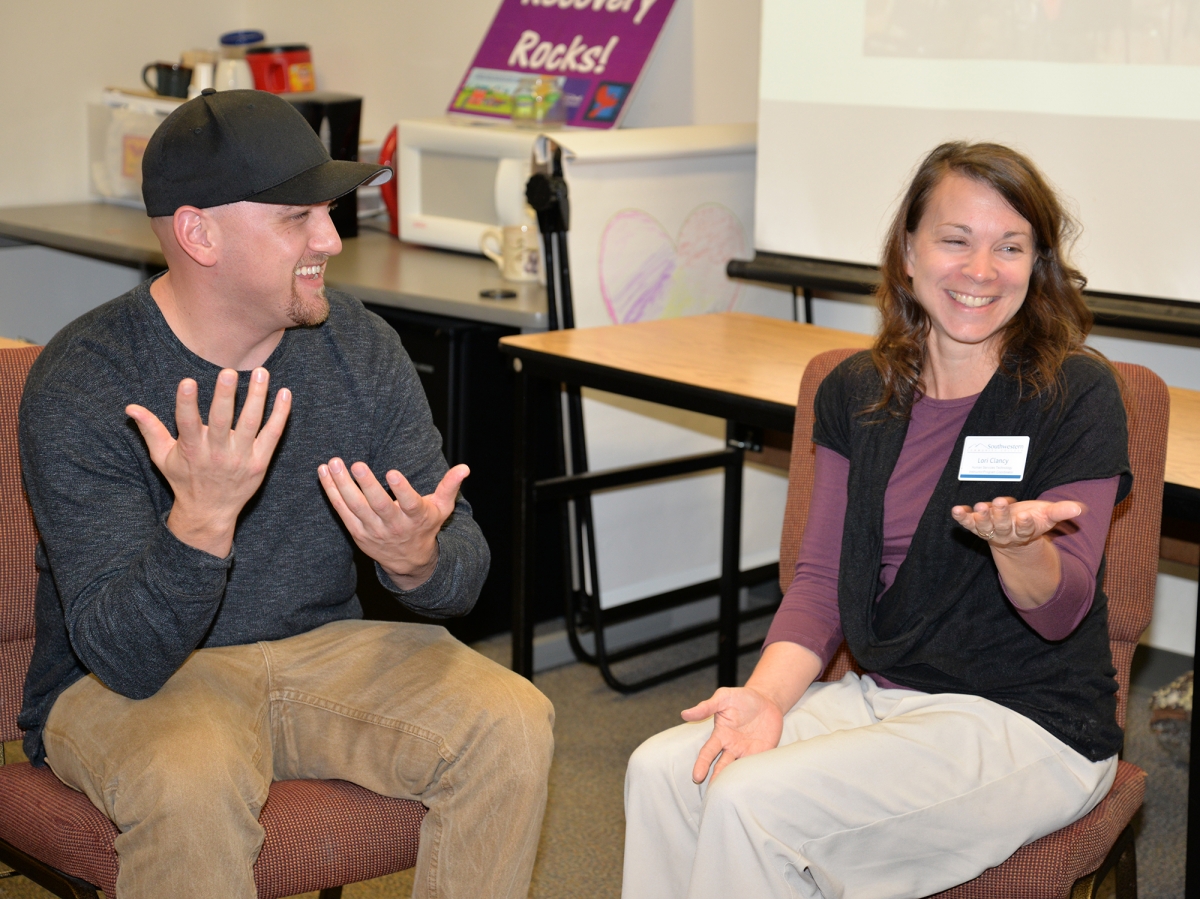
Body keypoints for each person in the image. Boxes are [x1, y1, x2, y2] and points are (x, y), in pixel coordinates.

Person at [17, 88, 554, 899]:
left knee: (510, 720)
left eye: (330, 212)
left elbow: (462, 571)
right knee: (188, 776)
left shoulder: (360, 346)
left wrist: (419, 559)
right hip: (131, 683)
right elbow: (121, 654)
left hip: (323, 655)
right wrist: (200, 524)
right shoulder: (87, 378)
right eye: (296, 217)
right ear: (198, 233)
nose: (332, 240)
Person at [622, 142, 1131, 899]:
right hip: (889, 694)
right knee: (664, 770)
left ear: (1037, 264)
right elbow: (824, 577)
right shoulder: (857, 392)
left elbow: (1061, 610)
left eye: (1011, 246)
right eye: (956, 239)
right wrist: (762, 698)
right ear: (908, 252)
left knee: (749, 802)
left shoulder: (1072, 390)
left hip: (1030, 720)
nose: (982, 270)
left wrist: (1022, 549)